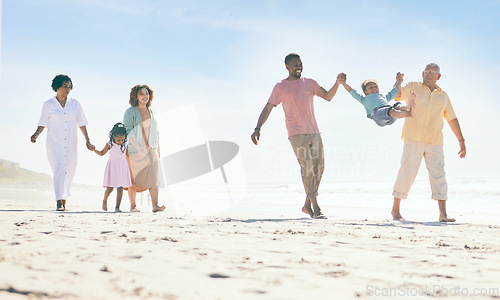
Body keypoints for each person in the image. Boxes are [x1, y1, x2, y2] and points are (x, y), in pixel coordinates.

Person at [251, 53, 343, 219]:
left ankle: (307, 205)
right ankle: (316, 208)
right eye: (294, 64)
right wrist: (258, 128)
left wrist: (338, 83)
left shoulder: (310, 83)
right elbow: (268, 108)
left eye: (300, 63)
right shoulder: (280, 87)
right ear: (287, 66)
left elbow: (328, 96)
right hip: (296, 133)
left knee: (319, 168)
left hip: (314, 131)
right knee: (307, 168)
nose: (298, 66)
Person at [392, 63, 466, 222]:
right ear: (422, 73)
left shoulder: (443, 96)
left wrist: (461, 140)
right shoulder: (413, 86)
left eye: (433, 73)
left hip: (435, 141)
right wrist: (398, 81)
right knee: (406, 173)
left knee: (439, 176)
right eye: (427, 72)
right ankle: (395, 210)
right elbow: (397, 95)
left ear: (438, 76)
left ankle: (443, 214)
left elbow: (452, 118)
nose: (430, 75)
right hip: (413, 138)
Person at [30, 74, 95, 211]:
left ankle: (63, 198)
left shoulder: (75, 104)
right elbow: (42, 123)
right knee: (59, 167)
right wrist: (36, 135)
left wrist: (87, 140)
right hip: (54, 143)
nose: (68, 89)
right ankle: (60, 202)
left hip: (71, 142)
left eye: (69, 86)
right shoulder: (48, 105)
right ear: (57, 87)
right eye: (65, 86)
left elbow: (82, 123)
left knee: (70, 169)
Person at [123, 85, 165, 213]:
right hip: (135, 150)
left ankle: (155, 205)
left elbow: (155, 131)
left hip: (151, 149)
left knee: (154, 177)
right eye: (141, 94)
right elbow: (128, 130)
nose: (144, 96)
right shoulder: (130, 112)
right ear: (136, 96)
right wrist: (138, 147)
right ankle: (133, 206)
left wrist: (158, 147)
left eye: (146, 93)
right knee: (134, 179)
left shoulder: (151, 111)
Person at [339, 72, 416, 126]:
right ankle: (409, 114)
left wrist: (399, 81)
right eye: (370, 87)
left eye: (376, 86)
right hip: (377, 114)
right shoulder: (363, 99)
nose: (374, 88)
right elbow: (351, 91)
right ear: (365, 92)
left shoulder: (383, 97)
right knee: (390, 110)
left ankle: (407, 107)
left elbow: (394, 91)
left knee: (397, 105)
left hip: (391, 115)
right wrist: (343, 83)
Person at [93, 123, 132, 212]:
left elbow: (128, 156)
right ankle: (105, 200)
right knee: (110, 188)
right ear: (114, 136)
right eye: (118, 140)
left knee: (120, 188)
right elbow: (102, 153)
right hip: (113, 167)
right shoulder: (110, 144)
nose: (120, 142)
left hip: (122, 167)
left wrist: (131, 167)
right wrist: (94, 150)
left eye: (122, 139)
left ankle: (117, 207)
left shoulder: (125, 144)